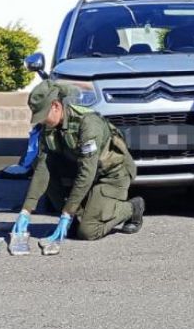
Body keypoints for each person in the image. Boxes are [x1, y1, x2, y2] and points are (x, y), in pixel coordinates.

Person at [12, 80, 144, 243]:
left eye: (43, 114)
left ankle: (132, 208)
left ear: (56, 106)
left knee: (88, 231)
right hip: (86, 172)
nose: (42, 121)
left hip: (112, 175)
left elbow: (86, 172)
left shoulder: (88, 123)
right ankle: (78, 216)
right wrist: (26, 210)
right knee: (42, 163)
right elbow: (42, 169)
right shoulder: (49, 128)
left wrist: (67, 213)